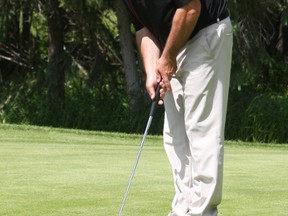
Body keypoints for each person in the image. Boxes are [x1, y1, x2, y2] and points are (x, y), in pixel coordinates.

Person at [122, 0, 233, 215]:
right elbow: (144, 29)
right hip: (174, 39)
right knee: (174, 135)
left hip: (205, 32)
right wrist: (152, 69)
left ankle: (202, 211)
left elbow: (191, 7)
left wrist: (168, 56)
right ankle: (182, 208)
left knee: (201, 130)